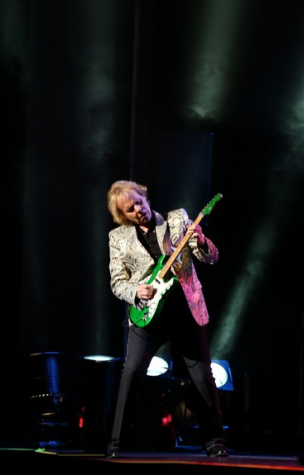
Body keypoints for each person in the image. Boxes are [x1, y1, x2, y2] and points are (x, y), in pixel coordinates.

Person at [105, 180, 228, 458]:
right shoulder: (118, 237)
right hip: (147, 315)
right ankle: (114, 443)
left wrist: (200, 239)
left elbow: (210, 257)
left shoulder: (176, 219)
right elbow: (117, 282)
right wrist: (136, 291)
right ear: (122, 215)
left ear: (145, 197)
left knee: (202, 377)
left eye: (138, 202)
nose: (138, 210)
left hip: (184, 311)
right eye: (129, 209)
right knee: (131, 373)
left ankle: (215, 442)